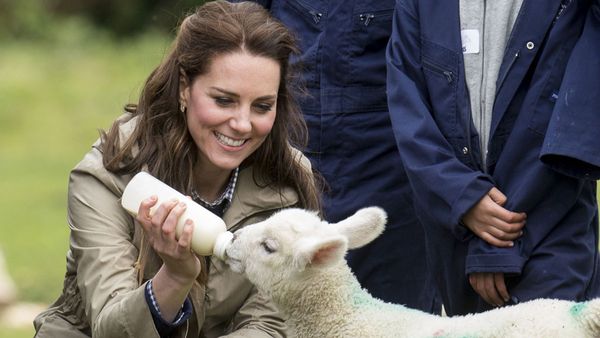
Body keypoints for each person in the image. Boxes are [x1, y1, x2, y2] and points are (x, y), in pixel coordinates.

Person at [33, 1, 321, 337]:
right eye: (224, 100)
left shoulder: (289, 184)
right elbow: (110, 328)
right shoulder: (108, 173)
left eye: (262, 106)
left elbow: (270, 324)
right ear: (185, 86)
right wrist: (176, 276)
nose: (243, 124)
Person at [386, 0, 600, 316]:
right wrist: (462, 198)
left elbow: (564, 126)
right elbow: (410, 114)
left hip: (549, 234)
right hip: (457, 241)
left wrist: (494, 247)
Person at [230, 0, 440, 313]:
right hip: (280, 161)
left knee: (389, 318)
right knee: (265, 313)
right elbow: (234, 37)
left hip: (392, 174)